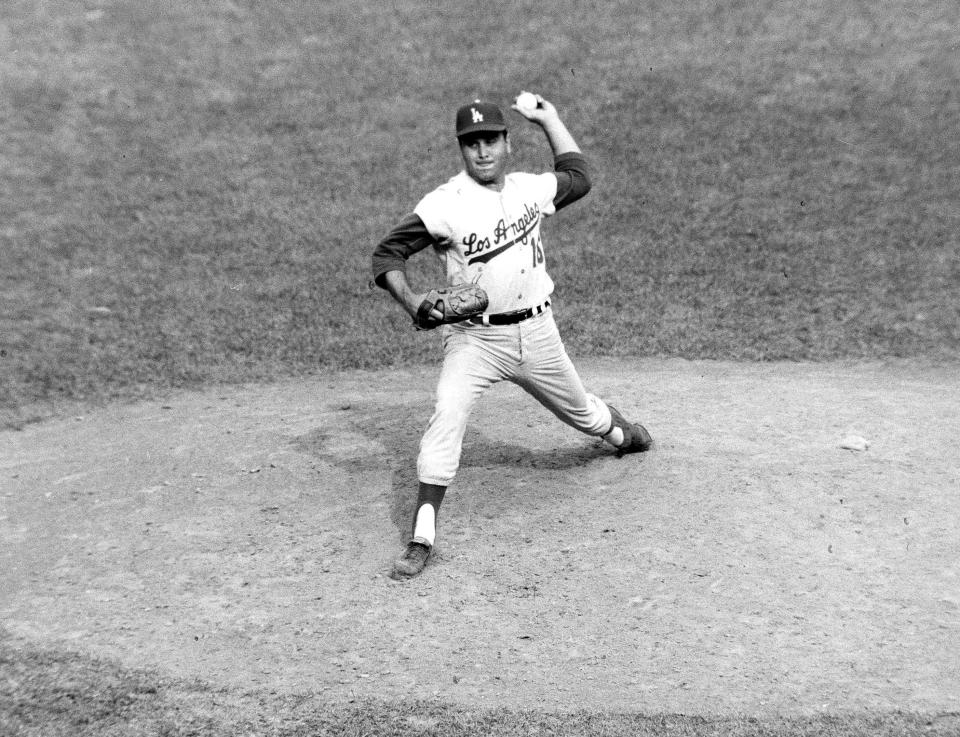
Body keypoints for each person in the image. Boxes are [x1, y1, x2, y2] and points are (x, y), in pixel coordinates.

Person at [371, 93, 652, 579]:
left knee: (583, 413)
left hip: (538, 333)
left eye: (490, 141)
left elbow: (579, 177)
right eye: (471, 143)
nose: (481, 152)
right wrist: (412, 301)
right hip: (474, 342)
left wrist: (550, 118)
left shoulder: (530, 189)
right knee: (447, 412)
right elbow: (386, 255)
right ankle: (422, 536)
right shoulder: (444, 205)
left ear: (507, 144)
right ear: (462, 149)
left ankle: (620, 434)